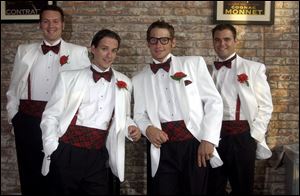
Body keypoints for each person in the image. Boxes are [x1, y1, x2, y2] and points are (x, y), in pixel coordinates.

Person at [40, 29, 141, 195]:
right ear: (93, 49)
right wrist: (53, 148)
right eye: (104, 48)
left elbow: (124, 116)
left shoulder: (124, 81)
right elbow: (50, 115)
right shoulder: (68, 78)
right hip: (67, 151)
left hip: (98, 154)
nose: (109, 55)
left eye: (114, 50)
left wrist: (131, 128)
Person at [6, 5, 91, 195]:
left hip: (60, 122)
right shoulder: (24, 50)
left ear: (62, 24)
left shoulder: (78, 52)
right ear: (40, 25)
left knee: (59, 175)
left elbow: (86, 90)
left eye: (55, 21)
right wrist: (15, 117)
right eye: (45, 21)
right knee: (30, 175)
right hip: (27, 120)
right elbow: (13, 87)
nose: (50, 25)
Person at [132, 20, 224, 195]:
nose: (158, 44)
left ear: (173, 42)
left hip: (194, 144)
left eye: (164, 40)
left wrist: (208, 139)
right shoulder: (139, 79)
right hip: (162, 147)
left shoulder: (193, 64)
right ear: (147, 43)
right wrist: (148, 129)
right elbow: (139, 115)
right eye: (153, 40)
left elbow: (214, 101)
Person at [207, 24, 273, 195]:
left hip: (243, 137)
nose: (222, 44)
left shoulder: (254, 68)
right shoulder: (206, 71)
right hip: (214, 136)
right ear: (213, 42)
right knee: (212, 186)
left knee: (243, 188)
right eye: (218, 40)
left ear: (235, 41)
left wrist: (255, 135)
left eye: (227, 39)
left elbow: (266, 106)